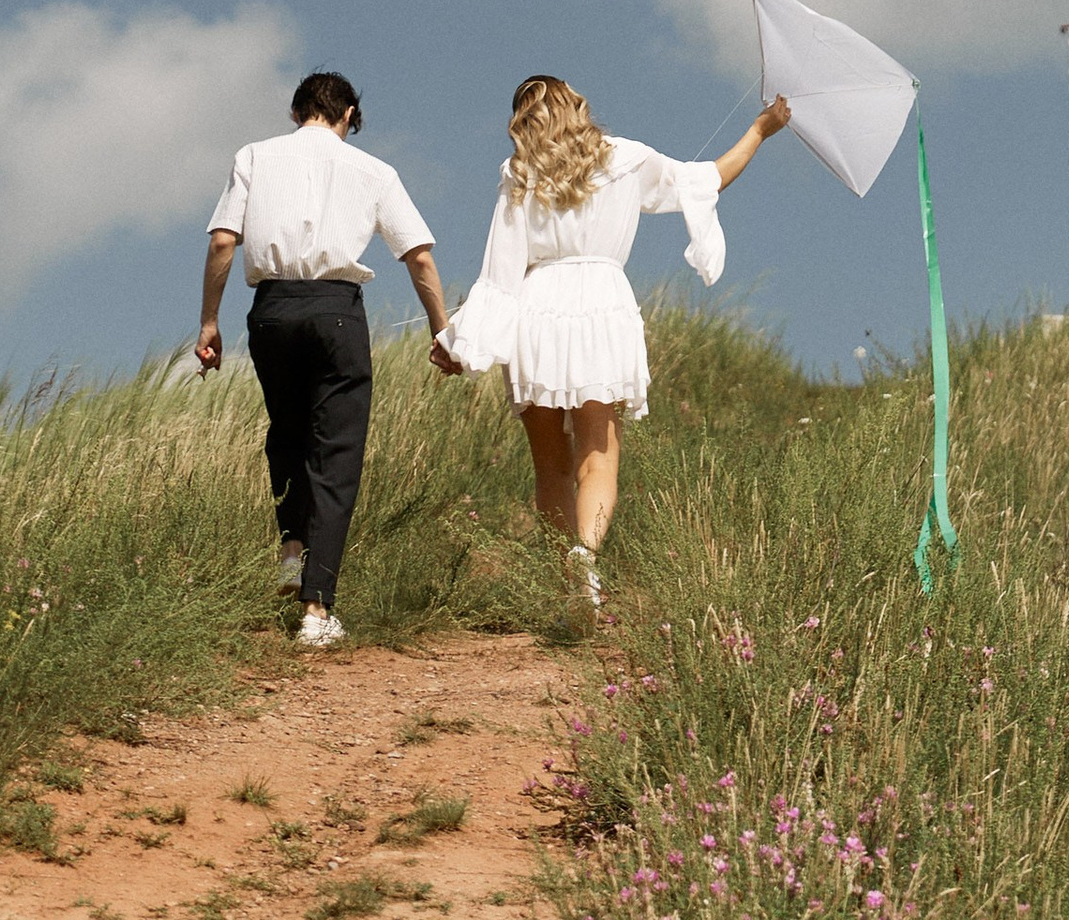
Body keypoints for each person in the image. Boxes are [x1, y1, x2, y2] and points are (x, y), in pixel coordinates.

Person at [434, 74, 790, 605]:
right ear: (577, 105)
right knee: (598, 457)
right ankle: (586, 558)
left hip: (538, 309)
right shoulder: (626, 158)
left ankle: (564, 584)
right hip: (602, 305)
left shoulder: (518, 173)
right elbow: (707, 181)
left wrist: (460, 340)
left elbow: (499, 275)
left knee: (550, 465)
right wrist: (761, 129)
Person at [195, 68, 451, 650]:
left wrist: (210, 322)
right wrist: (441, 330)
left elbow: (221, 242)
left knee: (286, 429)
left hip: (272, 310)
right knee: (335, 453)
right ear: (348, 117)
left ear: (296, 112)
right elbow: (419, 256)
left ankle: (291, 547)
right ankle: (316, 610)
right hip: (337, 311)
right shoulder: (374, 171)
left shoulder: (255, 156)